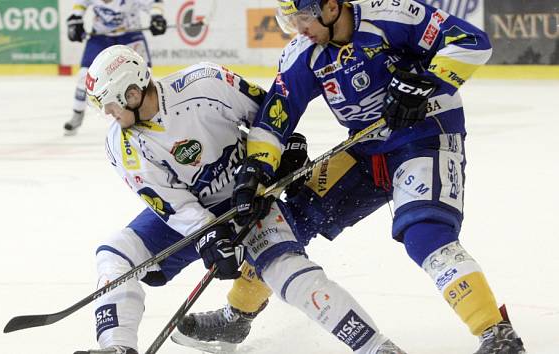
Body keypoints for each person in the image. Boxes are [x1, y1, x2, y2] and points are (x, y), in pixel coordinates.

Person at [174, 1, 526, 353]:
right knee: (287, 221)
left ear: (330, 6)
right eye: (291, 20)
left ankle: (496, 332)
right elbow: (274, 119)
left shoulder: (390, 14)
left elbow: (471, 41)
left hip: (426, 135)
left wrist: (424, 82)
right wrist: (257, 171)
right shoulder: (304, 52)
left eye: (304, 17)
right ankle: (237, 317)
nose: (299, 27)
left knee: (425, 234)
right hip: (365, 148)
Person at [73, 44, 407, 354]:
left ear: (131, 92)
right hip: (194, 212)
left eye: (111, 105)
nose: (109, 114)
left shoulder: (205, 83)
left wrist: (284, 148)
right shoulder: (121, 146)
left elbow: (269, 115)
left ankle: (374, 346)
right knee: (116, 254)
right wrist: (210, 235)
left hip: (251, 190)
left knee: (286, 270)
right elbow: (172, 204)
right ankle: (117, 346)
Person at [63, 0, 167, 136]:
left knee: (144, 75)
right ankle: (77, 113)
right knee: (85, 77)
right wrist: (75, 18)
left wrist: (156, 16)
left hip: (130, 35)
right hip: (100, 37)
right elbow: (81, 4)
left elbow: (154, 2)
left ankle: (151, 113)